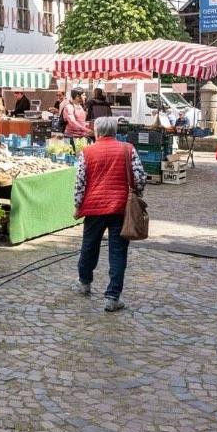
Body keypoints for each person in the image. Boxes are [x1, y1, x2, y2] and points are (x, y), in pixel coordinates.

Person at [72, 117, 146, 313]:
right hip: (121, 208)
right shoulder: (128, 149)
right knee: (117, 251)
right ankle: (113, 297)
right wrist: (136, 193)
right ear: (115, 131)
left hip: (94, 207)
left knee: (89, 246)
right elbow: (140, 178)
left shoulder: (87, 152)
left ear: (97, 132)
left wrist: (77, 206)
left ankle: (84, 283)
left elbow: (80, 182)